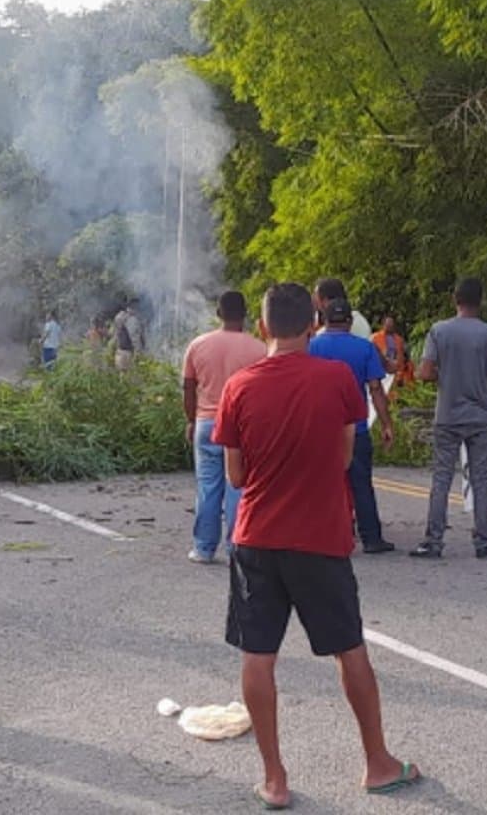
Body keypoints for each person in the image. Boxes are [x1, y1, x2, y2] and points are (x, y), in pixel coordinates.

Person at [213, 282, 420, 808]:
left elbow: (235, 477)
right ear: (313, 323)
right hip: (321, 537)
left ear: (262, 328)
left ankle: (275, 778)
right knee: (349, 649)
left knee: (258, 657)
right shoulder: (337, 380)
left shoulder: (240, 386)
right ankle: (378, 763)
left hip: (256, 537)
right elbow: (344, 458)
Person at [410, 277, 487, 559]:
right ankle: (484, 541)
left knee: (441, 479)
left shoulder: (440, 331)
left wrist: (446, 375)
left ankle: (434, 540)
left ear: (455, 300)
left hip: (448, 415)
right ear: (481, 301)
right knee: (480, 480)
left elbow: (425, 372)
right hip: (479, 416)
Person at [182, 291, 267, 563]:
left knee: (207, 487)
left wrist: (191, 420)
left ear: (218, 314)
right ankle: (235, 547)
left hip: (206, 422)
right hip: (241, 426)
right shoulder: (259, 349)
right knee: (238, 486)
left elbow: (188, 387)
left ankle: (203, 548)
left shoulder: (197, 345)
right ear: (245, 315)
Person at [311, 299, 396, 554]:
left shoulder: (311, 347)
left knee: (321, 486)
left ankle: (323, 537)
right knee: (361, 485)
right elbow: (376, 389)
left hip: (320, 430)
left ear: (323, 321)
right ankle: (371, 539)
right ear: (349, 322)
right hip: (354, 428)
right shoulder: (365, 348)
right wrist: (386, 424)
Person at [113, 299, 145, 370]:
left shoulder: (119, 317)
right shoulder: (132, 320)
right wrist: (138, 353)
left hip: (119, 352)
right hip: (127, 354)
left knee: (121, 377)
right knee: (130, 377)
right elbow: (134, 338)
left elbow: (115, 335)